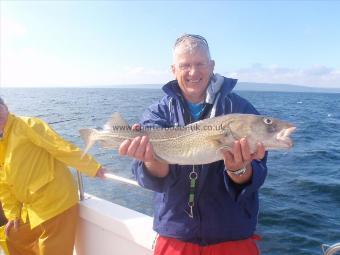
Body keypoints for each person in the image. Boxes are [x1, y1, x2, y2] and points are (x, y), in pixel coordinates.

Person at [119, 34, 267, 255]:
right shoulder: (157, 113)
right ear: (173, 69)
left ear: (212, 65)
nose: (193, 72)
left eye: (200, 64)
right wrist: (151, 160)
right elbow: (151, 178)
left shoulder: (241, 110)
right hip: (175, 237)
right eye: (185, 65)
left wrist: (240, 169)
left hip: (232, 237)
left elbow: (258, 172)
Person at [0, 97, 106, 255]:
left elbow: (61, 148)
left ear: (6, 107)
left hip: (56, 201)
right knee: (11, 237)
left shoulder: (28, 125)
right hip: (32, 207)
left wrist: (93, 167)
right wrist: (13, 213)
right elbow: (4, 184)